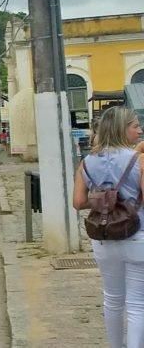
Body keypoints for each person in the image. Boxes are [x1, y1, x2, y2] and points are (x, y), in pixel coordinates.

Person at [73, 106, 144, 348]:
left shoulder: (87, 162)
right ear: (122, 129)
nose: (140, 130)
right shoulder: (140, 160)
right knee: (137, 304)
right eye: (135, 126)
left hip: (103, 237)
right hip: (137, 237)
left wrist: (104, 198)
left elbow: (78, 202)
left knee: (112, 298)